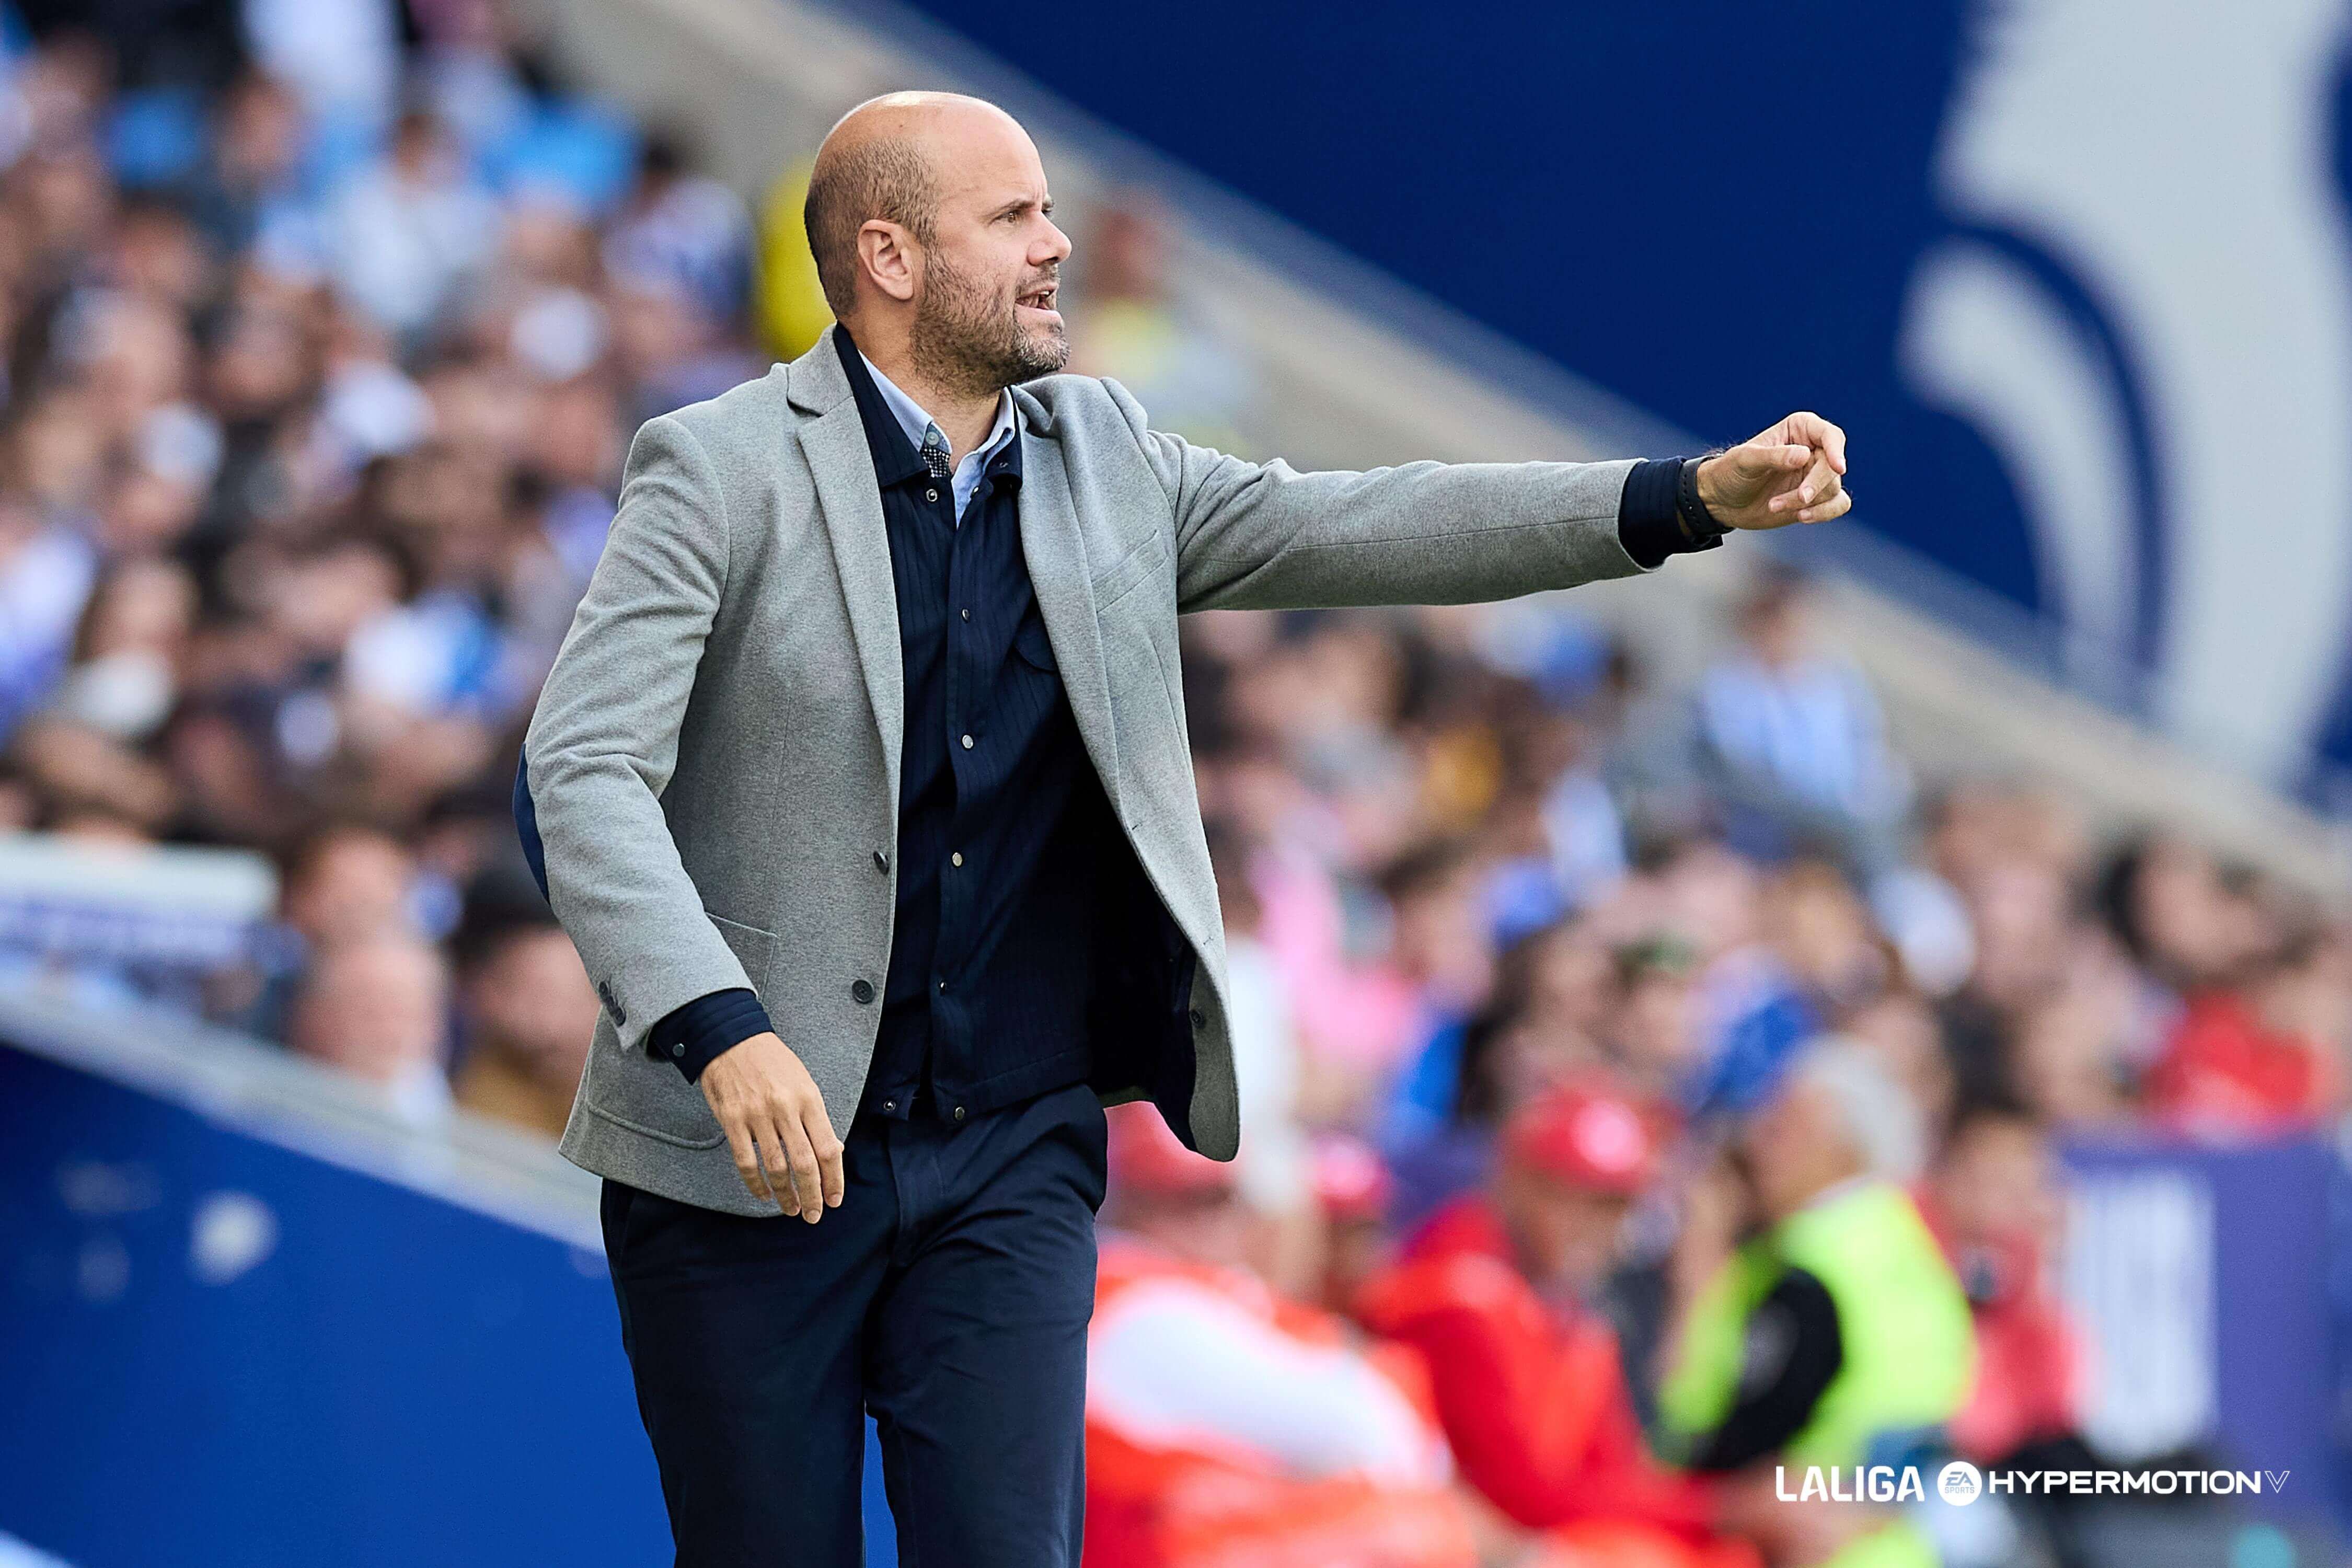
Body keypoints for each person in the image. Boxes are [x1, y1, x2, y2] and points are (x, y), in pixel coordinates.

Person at [515, 88, 1852, 1566]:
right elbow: (582, 770)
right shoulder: (715, 467)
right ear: (890, 258)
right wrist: (718, 1022)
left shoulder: (1110, 457)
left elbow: (1377, 524)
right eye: (1014, 216)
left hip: (1009, 1155)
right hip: (749, 1157)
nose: (1057, 245)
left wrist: (1680, 501)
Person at [1086, 1106, 1476, 1568]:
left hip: (1181, 1536)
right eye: (1184, 1201)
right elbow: (1376, 1434)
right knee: (1420, 1529)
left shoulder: (1207, 1291)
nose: (1351, 1253)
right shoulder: (1143, 1300)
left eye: (1363, 1229)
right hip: (1155, 1549)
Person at [1358, 1082, 1732, 1562]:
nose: (1593, 1227)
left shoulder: (1568, 1304)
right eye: (1570, 1195)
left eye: (1614, 1207)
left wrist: (1715, 1517)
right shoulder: (1454, 1289)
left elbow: (1609, 1473)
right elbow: (1519, 1497)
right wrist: (1722, 1511)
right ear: (1516, 1179)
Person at [1660, 1041, 1974, 1568]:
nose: (1759, 1143)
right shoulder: (1890, 1249)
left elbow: (1730, 1437)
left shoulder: (1820, 1268)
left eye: (1785, 1127)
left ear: (1845, 1149)